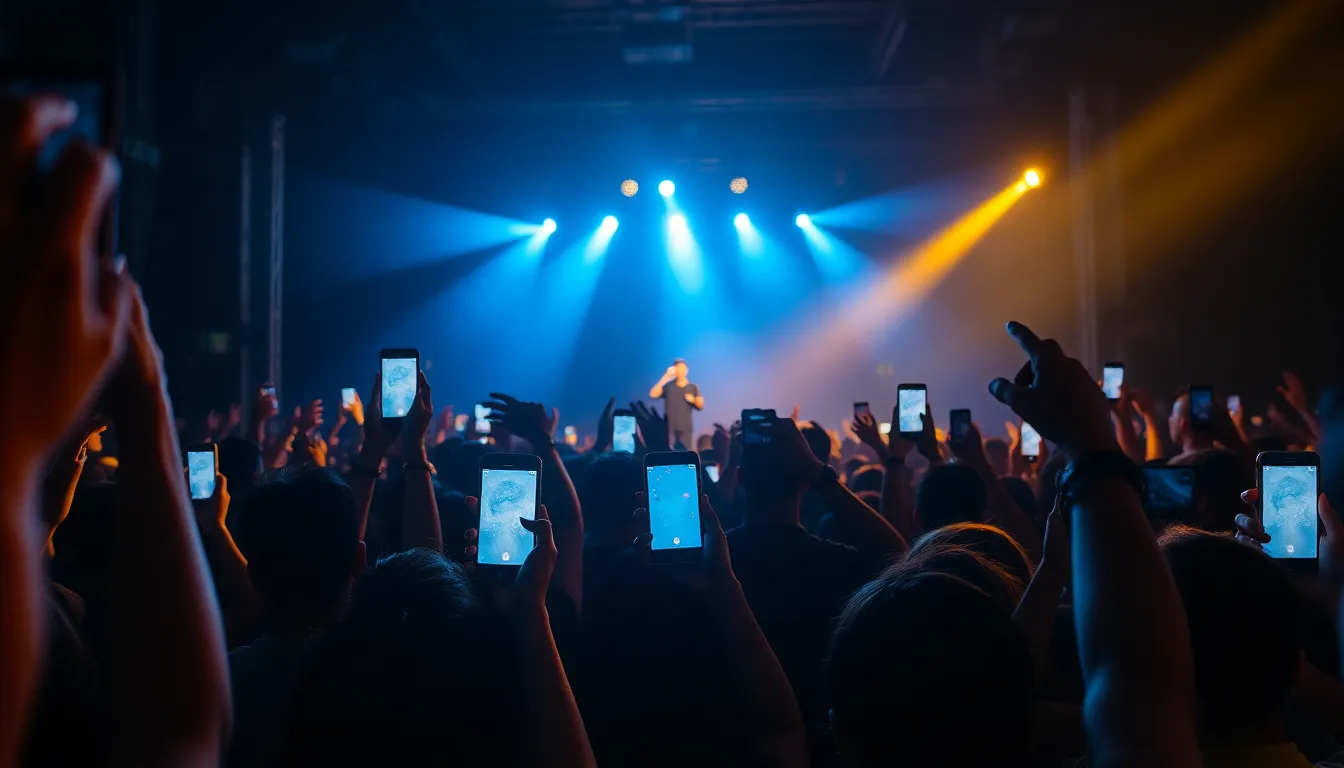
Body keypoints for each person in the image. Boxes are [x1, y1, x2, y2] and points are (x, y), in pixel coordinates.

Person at [649, 358, 703, 449]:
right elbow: (653, 394)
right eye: (677, 368)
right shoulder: (669, 387)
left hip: (685, 429)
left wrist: (693, 400)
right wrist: (666, 376)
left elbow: (701, 405)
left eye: (682, 368)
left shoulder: (692, 387)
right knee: (670, 454)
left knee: (685, 455)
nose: (680, 371)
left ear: (686, 370)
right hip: (670, 429)